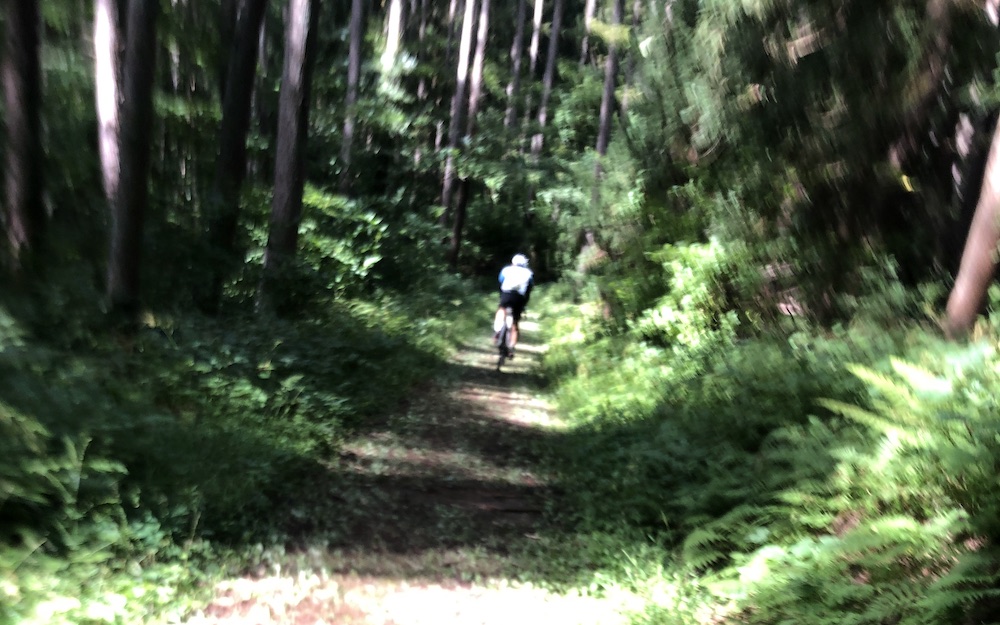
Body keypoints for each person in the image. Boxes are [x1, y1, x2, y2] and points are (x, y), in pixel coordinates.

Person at [494, 253, 534, 356]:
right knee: (515, 323)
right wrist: (524, 304)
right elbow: (529, 289)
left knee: (501, 309)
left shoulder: (506, 270)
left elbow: (500, 282)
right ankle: (511, 346)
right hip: (519, 298)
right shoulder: (528, 273)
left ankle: (497, 330)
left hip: (506, 294)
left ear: (513, 262)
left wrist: (501, 295)